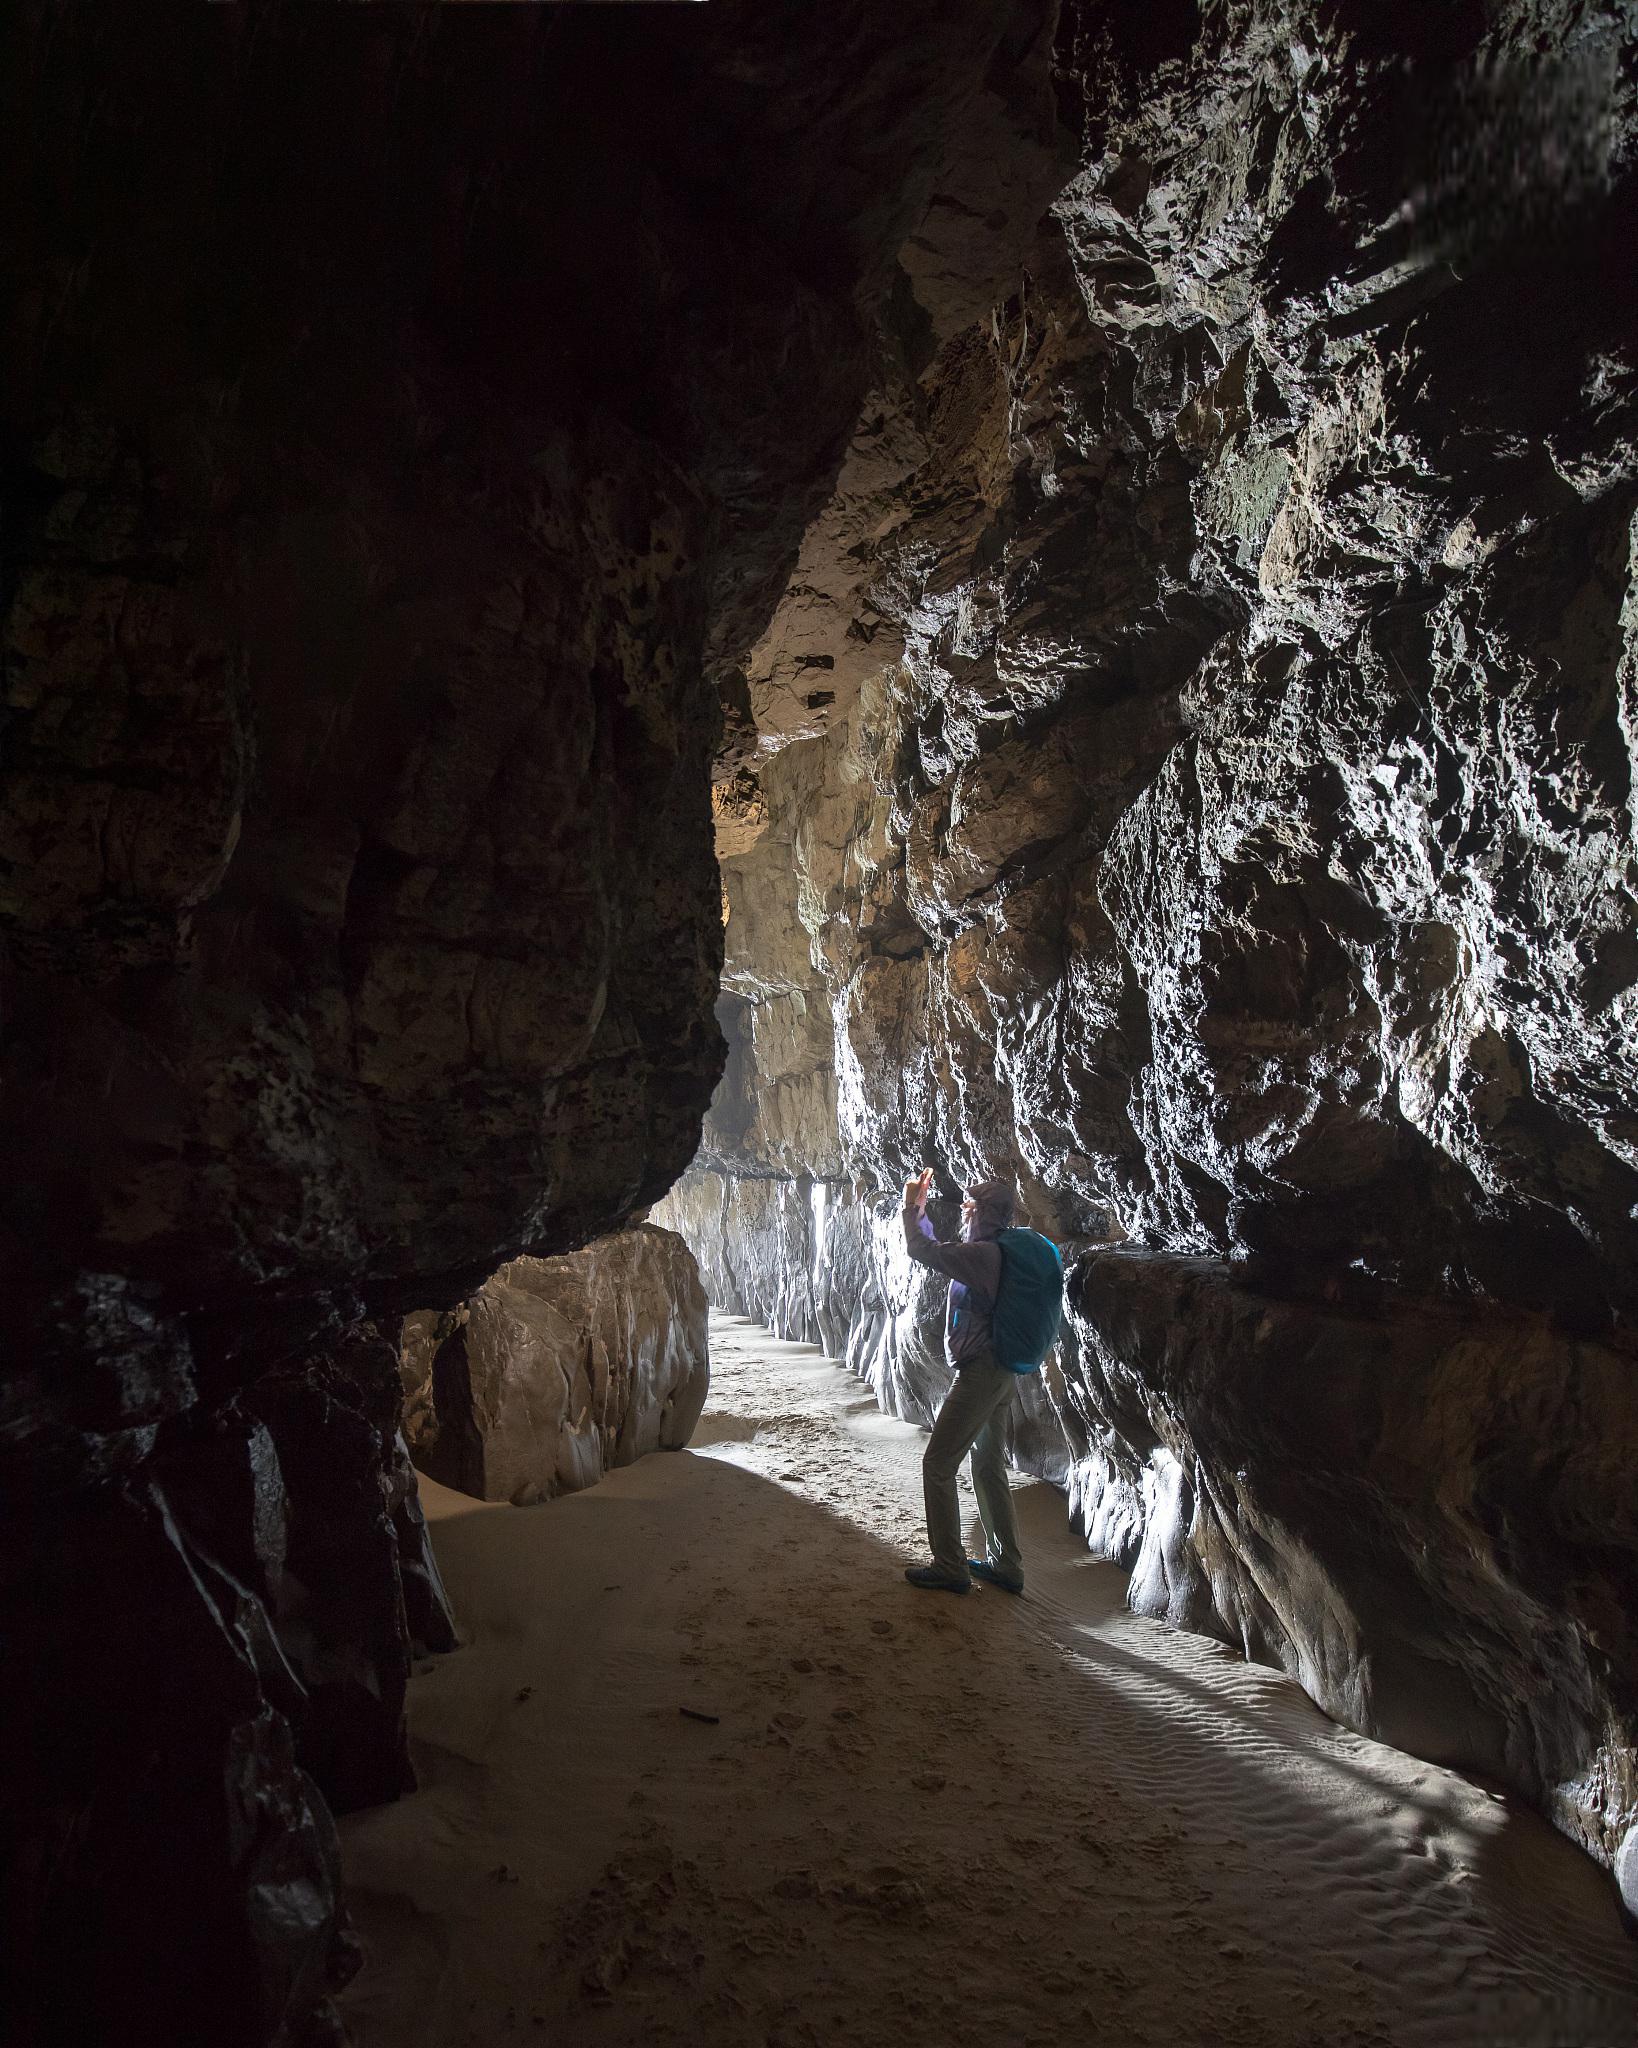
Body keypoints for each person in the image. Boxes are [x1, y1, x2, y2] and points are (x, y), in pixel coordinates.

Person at [900, 1166, 1027, 1595]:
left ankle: (950, 1565)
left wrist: (913, 1206)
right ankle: (1006, 1564)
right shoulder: (998, 1251)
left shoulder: (984, 1255)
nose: (966, 1213)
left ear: (987, 1214)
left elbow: (923, 1248)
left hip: (982, 1372)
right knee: (988, 1465)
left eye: (972, 1207)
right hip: (1000, 1371)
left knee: (937, 1463)